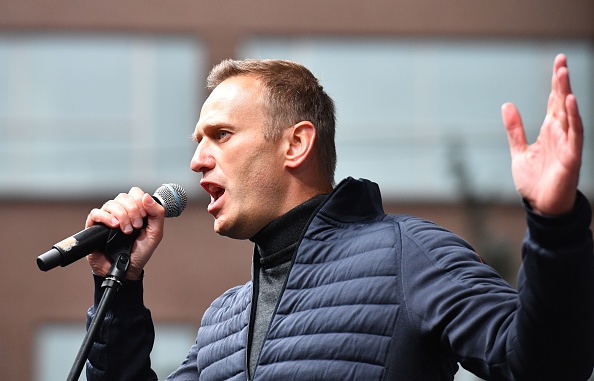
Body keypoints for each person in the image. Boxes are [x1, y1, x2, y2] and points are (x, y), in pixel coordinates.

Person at [84, 54, 594, 380]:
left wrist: (554, 223)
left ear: (297, 144)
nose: (197, 160)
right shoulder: (224, 319)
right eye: (198, 142)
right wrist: (120, 285)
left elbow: (545, 366)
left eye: (220, 135)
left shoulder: (406, 255)